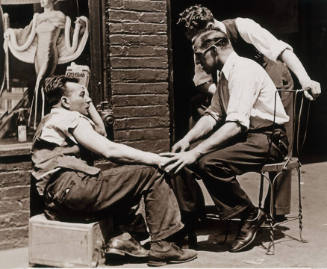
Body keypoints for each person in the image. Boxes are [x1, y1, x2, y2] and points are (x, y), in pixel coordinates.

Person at [31, 75, 197, 266]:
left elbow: (100, 132)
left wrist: (85, 96)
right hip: (74, 188)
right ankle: (164, 246)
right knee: (150, 173)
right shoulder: (69, 117)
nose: (88, 99)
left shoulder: (52, 119)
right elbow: (110, 150)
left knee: (123, 180)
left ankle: (123, 238)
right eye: (83, 95)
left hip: (58, 200)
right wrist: (157, 159)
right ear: (66, 102)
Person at [176, 5, 321, 219]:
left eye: (197, 39)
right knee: (200, 116)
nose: (196, 50)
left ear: (208, 27)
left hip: (273, 83)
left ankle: (275, 209)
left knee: (280, 140)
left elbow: (281, 51)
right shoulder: (202, 45)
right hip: (236, 86)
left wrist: (305, 79)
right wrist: (227, 96)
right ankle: (196, 209)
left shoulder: (242, 26)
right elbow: (202, 80)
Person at [162, 28, 290, 252]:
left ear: (213, 50)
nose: (199, 62)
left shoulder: (244, 70)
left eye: (200, 55)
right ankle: (189, 223)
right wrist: (188, 140)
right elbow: (214, 115)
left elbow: (235, 124)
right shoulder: (225, 73)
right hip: (247, 136)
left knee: (209, 162)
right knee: (179, 159)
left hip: (268, 138)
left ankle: (249, 214)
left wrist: (197, 151)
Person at [4, 0, 89, 129]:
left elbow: (69, 36)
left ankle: (40, 121)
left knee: (40, 83)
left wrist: (80, 26)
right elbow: (26, 33)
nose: (42, 1)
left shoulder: (60, 16)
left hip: (50, 53)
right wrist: (11, 33)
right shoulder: (37, 17)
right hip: (38, 55)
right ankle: (39, 121)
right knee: (41, 85)